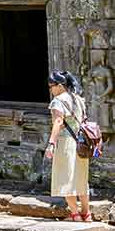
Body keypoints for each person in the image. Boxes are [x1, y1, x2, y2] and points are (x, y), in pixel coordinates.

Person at [46, 70, 92, 221]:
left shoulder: (58, 101)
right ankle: (87, 213)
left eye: (51, 86)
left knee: (66, 179)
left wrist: (51, 143)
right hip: (81, 144)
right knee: (81, 179)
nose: (50, 89)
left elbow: (58, 122)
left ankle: (75, 214)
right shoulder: (78, 99)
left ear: (59, 86)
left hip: (66, 144)